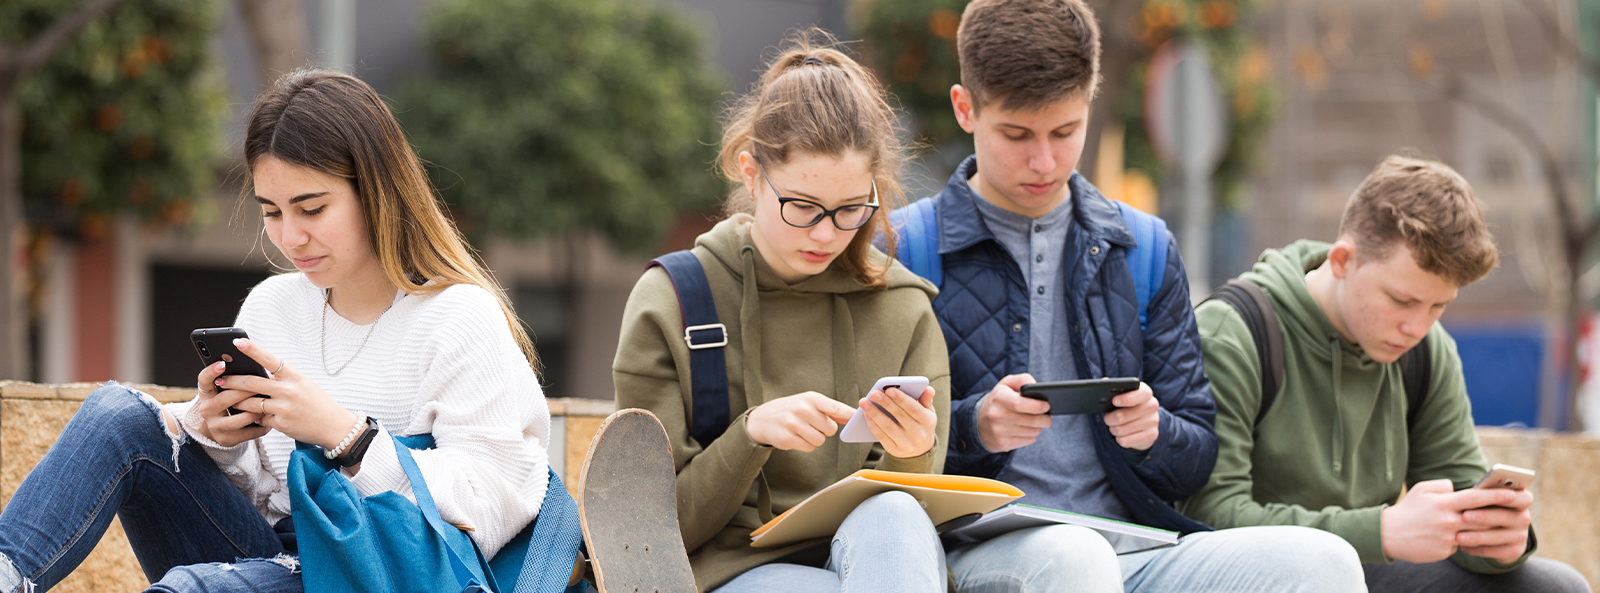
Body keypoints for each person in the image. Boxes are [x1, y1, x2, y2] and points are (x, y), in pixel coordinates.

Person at [0, 70, 554, 592]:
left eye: (311, 209)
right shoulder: (272, 305)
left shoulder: (458, 317)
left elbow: (494, 507)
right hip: (275, 558)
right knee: (118, 414)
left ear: (377, 192)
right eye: (272, 211)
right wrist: (214, 436)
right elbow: (261, 497)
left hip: (378, 572)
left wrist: (349, 437)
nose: (291, 237)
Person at [891, 1, 1367, 591]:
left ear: (1090, 103)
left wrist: (1154, 432)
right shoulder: (902, 248)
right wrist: (974, 427)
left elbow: (1196, 455)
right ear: (966, 108)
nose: (1045, 161)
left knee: (1326, 561)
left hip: (1131, 545)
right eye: (1017, 134)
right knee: (1074, 559)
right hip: (974, 551)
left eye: (1066, 131)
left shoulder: (1142, 247)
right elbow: (867, 456)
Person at [611, 33, 952, 593]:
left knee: (893, 515)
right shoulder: (673, 298)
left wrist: (911, 457)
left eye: (849, 210)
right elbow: (645, 530)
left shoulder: (903, 306)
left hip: (877, 563)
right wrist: (750, 435)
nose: (825, 234)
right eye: (802, 206)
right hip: (732, 570)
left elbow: (913, 528)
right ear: (749, 172)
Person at [1182, 155, 1592, 593]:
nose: (1417, 327)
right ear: (1342, 260)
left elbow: (1458, 500)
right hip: (1252, 575)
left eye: (1438, 306)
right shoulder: (1234, 333)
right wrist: (1381, 532)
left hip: (1365, 571)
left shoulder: (1427, 350)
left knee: (1555, 587)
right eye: (1401, 300)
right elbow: (1208, 518)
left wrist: (1496, 540)